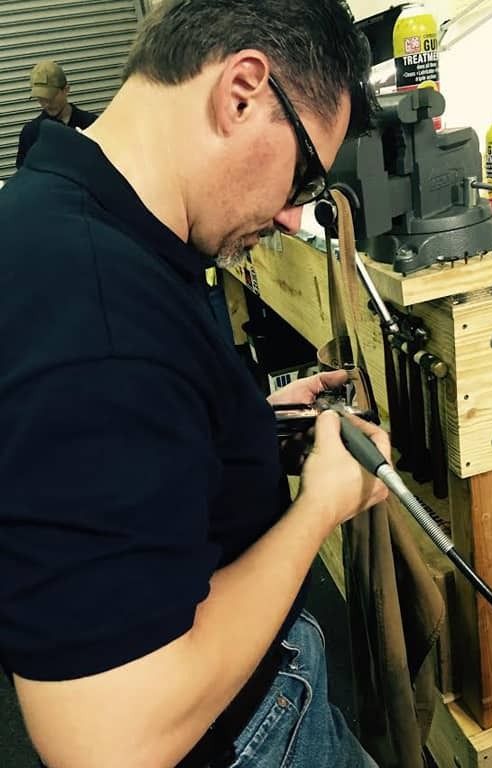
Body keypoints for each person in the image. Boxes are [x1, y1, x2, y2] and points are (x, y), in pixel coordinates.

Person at [0, 2, 392, 767]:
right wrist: (319, 507)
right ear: (241, 93)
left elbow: (120, 447)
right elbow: (112, 742)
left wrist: (241, 424)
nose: (292, 218)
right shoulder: (96, 319)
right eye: (304, 176)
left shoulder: (77, 217)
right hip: (242, 740)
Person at [15, 60, 97, 168]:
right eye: (41, 98)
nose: (46, 104)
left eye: (51, 97)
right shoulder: (31, 133)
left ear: (66, 90)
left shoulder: (92, 124)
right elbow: (24, 173)